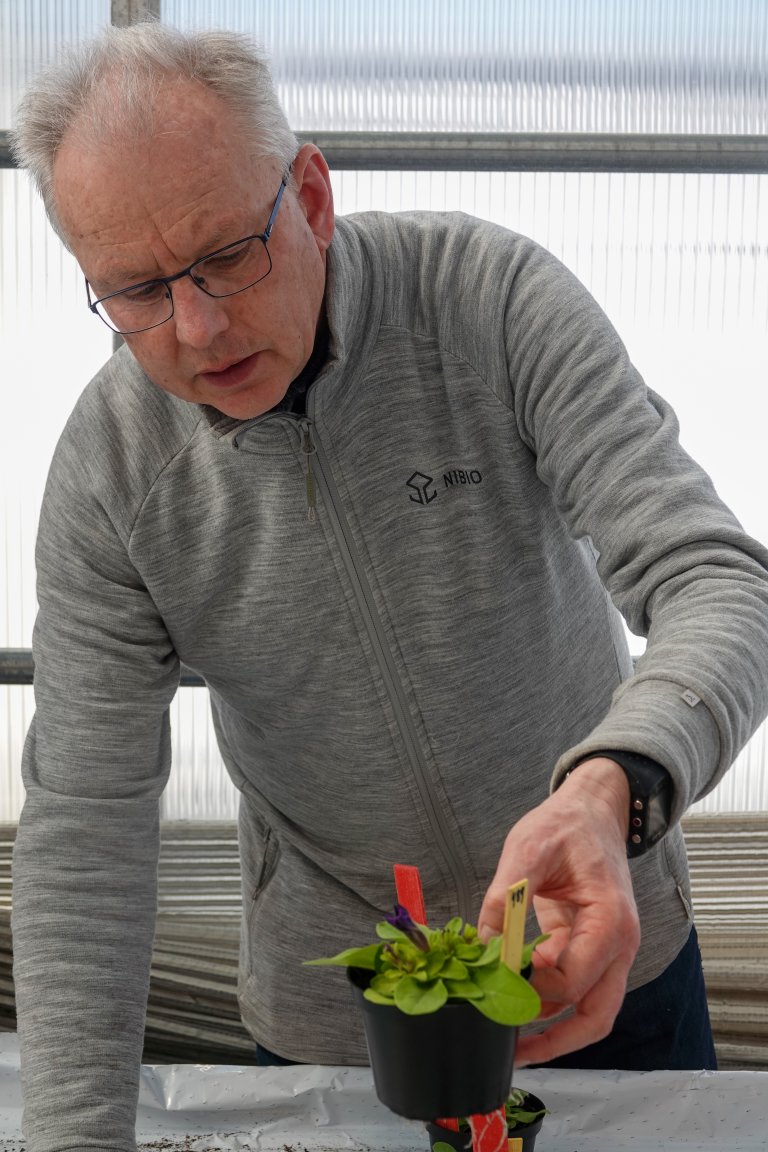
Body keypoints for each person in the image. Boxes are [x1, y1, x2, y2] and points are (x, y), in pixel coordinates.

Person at [10, 21, 768, 1151]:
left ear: (309, 195)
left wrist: (612, 792)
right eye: (136, 291)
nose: (199, 327)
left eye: (227, 255)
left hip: (597, 949)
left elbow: (717, 581)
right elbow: (84, 826)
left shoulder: (485, 301)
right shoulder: (114, 476)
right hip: (347, 1014)